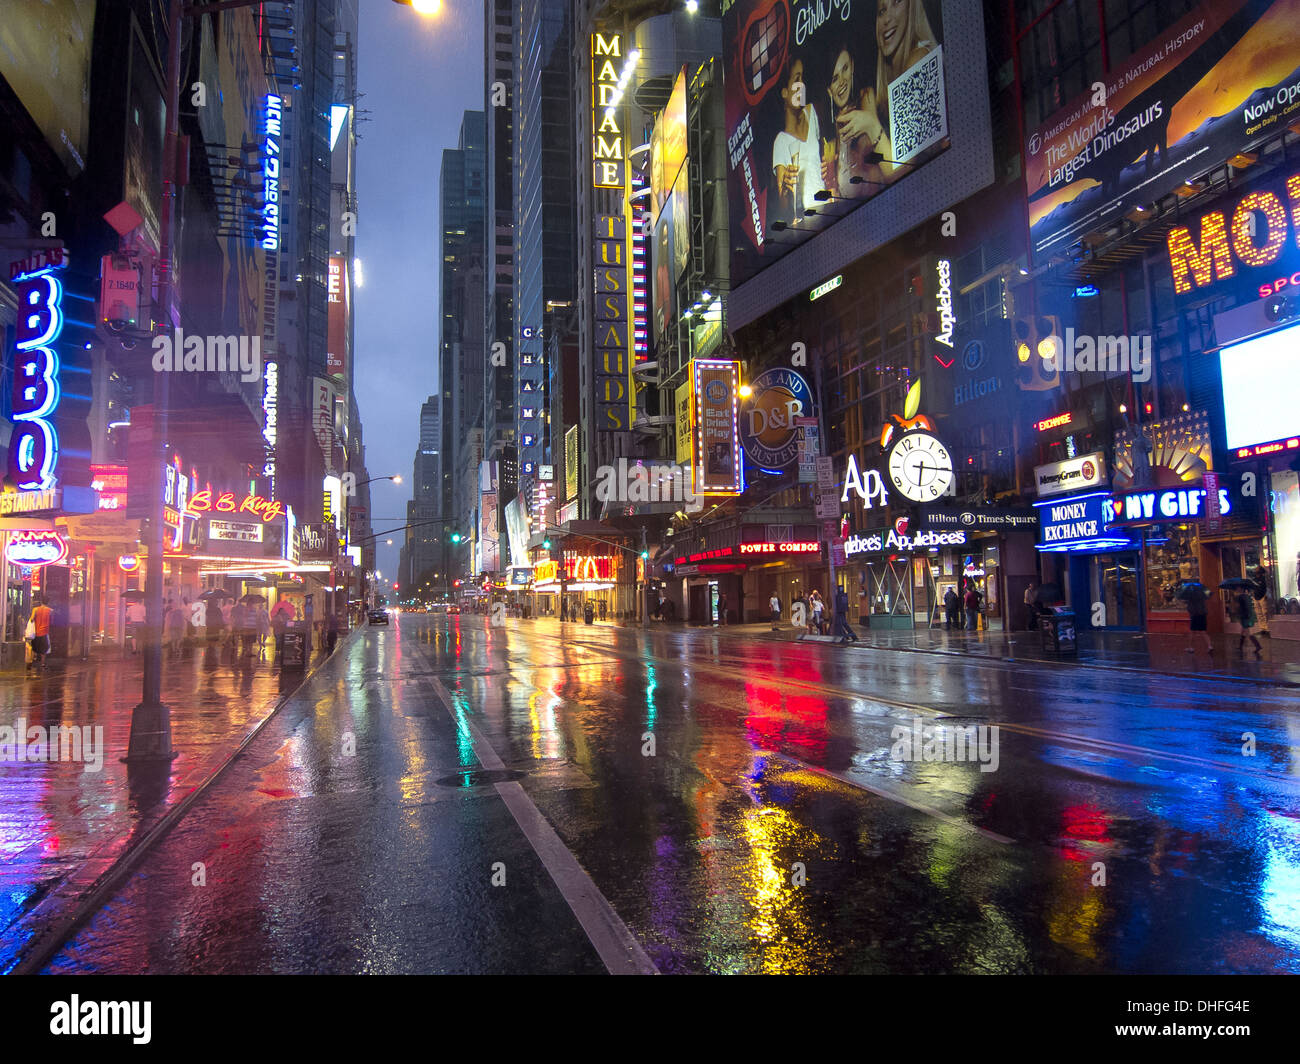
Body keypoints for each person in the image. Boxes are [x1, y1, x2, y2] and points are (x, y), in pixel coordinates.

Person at [821, 47, 889, 198]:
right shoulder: (833, 132)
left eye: (845, 69)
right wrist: (830, 180)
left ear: (852, 66)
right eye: (834, 79)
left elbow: (871, 165)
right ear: (829, 90)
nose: (842, 82)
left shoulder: (866, 98)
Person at [771, 58, 823, 228]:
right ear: (785, 92)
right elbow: (783, 206)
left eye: (803, 79)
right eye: (796, 79)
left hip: (827, 209)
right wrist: (785, 188)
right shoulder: (781, 141)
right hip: (805, 222)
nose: (802, 85)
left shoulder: (812, 113)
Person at [1178, 581, 1212, 655]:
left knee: (1192, 631)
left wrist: (1184, 602)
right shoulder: (1202, 594)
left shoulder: (1191, 595)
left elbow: (1190, 605)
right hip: (1202, 614)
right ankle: (1210, 646)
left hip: (1195, 615)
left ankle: (1190, 647)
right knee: (1203, 631)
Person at [1234, 589, 1264, 657]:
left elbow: (1241, 608)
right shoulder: (1247, 597)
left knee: (1248, 633)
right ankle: (1240, 646)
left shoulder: (1241, 597)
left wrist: (1239, 611)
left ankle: (1258, 646)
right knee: (1243, 631)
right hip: (1248, 616)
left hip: (1245, 617)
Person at [28, 596, 53, 673]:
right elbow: (52, 621)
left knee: (34, 648)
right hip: (44, 632)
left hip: (36, 632)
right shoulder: (50, 610)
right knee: (44, 649)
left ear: (41, 601)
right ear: (48, 602)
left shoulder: (35, 609)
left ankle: (31, 663)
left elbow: (31, 619)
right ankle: (42, 664)